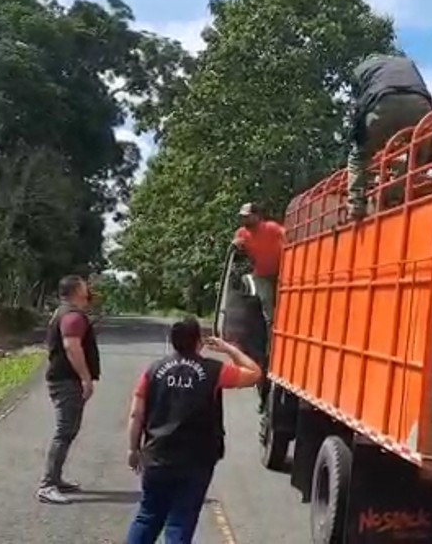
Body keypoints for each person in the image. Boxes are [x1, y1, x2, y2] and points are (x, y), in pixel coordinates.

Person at [125, 317, 261, 543]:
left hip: (157, 455)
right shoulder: (214, 371)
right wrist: (228, 348)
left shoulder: (152, 371)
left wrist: (133, 449)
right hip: (197, 459)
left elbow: (135, 414)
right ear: (199, 342)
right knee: (181, 521)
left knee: (148, 516)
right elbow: (254, 373)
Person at [347, 53, 432, 220]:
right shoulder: (408, 64)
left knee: (358, 157)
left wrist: (359, 136)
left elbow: (359, 106)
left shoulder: (361, 69)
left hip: (382, 104)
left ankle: (356, 205)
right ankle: (392, 195)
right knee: (418, 156)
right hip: (419, 106)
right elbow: (431, 103)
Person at [36, 275, 101, 504]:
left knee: (69, 430)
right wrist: (85, 379)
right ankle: (48, 485)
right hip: (67, 381)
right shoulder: (72, 317)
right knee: (64, 431)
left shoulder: (63, 313)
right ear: (76, 290)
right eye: (84, 286)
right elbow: (71, 346)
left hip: (64, 379)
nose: (88, 289)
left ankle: (56, 478)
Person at [233, 202, 284, 325]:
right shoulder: (241, 233)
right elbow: (236, 251)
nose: (244, 219)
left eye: (247, 216)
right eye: (242, 217)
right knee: (266, 301)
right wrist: (237, 247)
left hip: (282, 271)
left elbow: (289, 235)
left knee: (284, 300)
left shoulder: (271, 228)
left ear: (257, 216)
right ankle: (271, 329)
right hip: (261, 274)